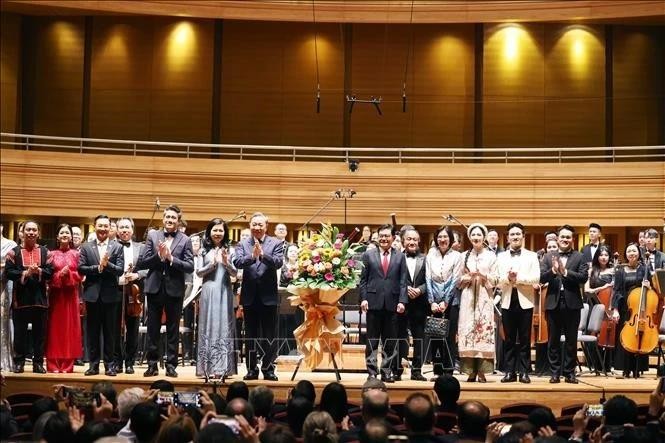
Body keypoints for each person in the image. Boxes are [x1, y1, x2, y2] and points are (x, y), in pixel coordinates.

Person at [136, 205, 194, 378]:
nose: (169, 220)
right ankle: (152, 364)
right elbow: (143, 262)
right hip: (154, 287)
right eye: (167, 217)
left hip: (174, 289)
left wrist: (171, 258)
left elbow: (190, 266)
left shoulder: (185, 239)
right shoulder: (153, 235)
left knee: (173, 329)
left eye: (173, 218)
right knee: (153, 328)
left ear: (178, 220)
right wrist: (159, 257)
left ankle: (171, 365)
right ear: (163, 218)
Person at [233, 212, 284, 381]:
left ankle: (268, 369)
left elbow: (278, 263)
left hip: (268, 296)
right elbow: (238, 262)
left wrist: (262, 255)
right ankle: (251, 369)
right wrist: (252, 256)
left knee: (270, 335)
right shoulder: (242, 243)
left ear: (266, 226)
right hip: (249, 296)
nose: (256, 227)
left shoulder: (275, 243)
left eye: (260, 224)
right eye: (254, 224)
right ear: (250, 225)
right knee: (251, 335)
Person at [540, 224, 588, 384]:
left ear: (572, 239)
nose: (565, 239)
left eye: (568, 237)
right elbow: (540, 277)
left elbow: (583, 278)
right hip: (553, 302)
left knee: (571, 341)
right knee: (553, 340)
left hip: (572, 303)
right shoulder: (548, 257)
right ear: (557, 239)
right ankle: (554, 373)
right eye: (563, 237)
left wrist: (566, 272)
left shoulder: (579, 256)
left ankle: (569, 373)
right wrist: (554, 271)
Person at [359, 224, 407, 383]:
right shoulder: (368, 255)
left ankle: (386, 371)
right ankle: (372, 372)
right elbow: (363, 281)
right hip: (373, 303)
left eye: (387, 236)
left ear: (393, 238)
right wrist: (364, 298)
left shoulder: (400, 256)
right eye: (381, 236)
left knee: (390, 342)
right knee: (372, 341)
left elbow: (402, 282)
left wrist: (402, 301)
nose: (384, 239)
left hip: (393, 304)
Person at [493, 222, 540, 384]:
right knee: (509, 340)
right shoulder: (500, 257)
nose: (515, 237)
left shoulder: (532, 256)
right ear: (507, 237)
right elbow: (497, 280)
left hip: (525, 302)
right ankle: (509, 372)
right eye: (512, 234)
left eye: (518, 234)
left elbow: (536, 278)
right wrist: (508, 279)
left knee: (525, 339)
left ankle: (524, 372)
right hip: (507, 301)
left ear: (523, 236)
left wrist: (517, 278)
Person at [78, 214, 124, 376]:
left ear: (110, 228)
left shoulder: (117, 247)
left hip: (110, 296)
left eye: (106, 226)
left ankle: (110, 365)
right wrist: (97, 268)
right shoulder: (86, 247)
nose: (103, 229)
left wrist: (107, 264)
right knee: (92, 332)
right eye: (100, 226)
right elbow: (81, 268)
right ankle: (93, 364)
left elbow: (120, 270)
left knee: (110, 332)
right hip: (92, 295)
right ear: (95, 227)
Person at [5, 220, 52, 374]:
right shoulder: (13, 252)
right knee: (20, 333)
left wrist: (38, 271)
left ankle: (38, 363)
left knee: (40, 334)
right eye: (28, 230)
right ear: (23, 232)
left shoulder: (46, 252)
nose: (31, 233)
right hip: (21, 300)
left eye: (34, 230)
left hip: (40, 300)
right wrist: (25, 273)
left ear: (38, 233)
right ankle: (19, 362)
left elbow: (51, 271)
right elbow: (9, 272)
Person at [196, 218, 237, 379]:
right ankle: (207, 367)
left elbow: (234, 273)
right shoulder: (203, 250)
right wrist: (211, 265)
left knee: (223, 326)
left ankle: (223, 368)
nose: (218, 233)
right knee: (208, 325)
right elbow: (198, 273)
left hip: (224, 290)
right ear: (209, 232)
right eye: (215, 230)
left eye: (220, 230)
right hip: (208, 290)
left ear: (225, 232)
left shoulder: (230, 250)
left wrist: (226, 263)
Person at [457, 223, 497, 382]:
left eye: (479, 235)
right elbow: (458, 279)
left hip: (484, 298)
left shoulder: (491, 256)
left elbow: (496, 278)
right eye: (473, 235)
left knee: (483, 333)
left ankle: (482, 371)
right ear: (469, 238)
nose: (476, 237)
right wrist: (466, 278)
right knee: (468, 332)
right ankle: (470, 371)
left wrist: (483, 276)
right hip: (468, 298)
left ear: (484, 237)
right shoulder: (464, 256)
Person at [426, 226, 462, 379]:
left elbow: (455, 280)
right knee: (435, 337)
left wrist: (446, 301)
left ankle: (448, 371)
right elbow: (427, 278)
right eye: (440, 237)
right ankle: (437, 370)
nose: (442, 240)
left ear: (450, 239)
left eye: (445, 237)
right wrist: (432, 301)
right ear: (436, 239)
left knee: (449, 337)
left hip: (451, 302)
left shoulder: (457, 256)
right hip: (434, 302)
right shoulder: (430, 255)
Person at [45, 223, 82, 373]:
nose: (65, 235)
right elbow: (47, 275)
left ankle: (67, 364)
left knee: (69, 329)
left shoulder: (77, 254)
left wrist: (69, 275)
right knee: (54, 329)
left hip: (71, 295)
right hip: (56, 296)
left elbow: (81, 274)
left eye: (67, 232)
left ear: (71, 237)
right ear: (57, 236)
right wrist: (59, 275)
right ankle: (53, 364)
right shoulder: (50, 254)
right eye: (62, 232)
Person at [610, 243, 649, 378]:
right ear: (626, 255)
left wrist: (648, 286)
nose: (631, 253)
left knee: (639, 336)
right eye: (628, 251)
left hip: (640, 308)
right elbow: (616, 290)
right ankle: (625, 368)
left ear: (638, 253)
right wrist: (615, 309)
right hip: (625, 307)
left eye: (634, 251)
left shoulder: (644, 269)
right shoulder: (620, 271)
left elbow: (651, 291)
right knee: (625, 338)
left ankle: (638, 368)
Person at [114, 217, 147, 374]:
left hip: (134, 293)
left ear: (132, 230)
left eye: (127, 227)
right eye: (122, 227)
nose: (124, 230)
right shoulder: (111, 246)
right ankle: (117, 361)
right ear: (117, 230)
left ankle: (130, 362)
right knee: (115, 328)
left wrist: (137, 275)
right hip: (115, 291)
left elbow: (148, 269)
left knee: (133, 329)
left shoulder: (142, 247)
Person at [399, 228, 428, 381]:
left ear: (419, 241)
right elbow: (393, 279)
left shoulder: (425, 258)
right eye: (409, 239)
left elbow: (430, 281)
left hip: (420, 304)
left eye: (415, 239)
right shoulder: (397, 258)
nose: (412, 242)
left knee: (419, 339)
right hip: (401, 303)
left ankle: (416, 371)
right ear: (403, 241)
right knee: (400, 337)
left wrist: (420, 290)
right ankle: (397, 369)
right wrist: (405, 289)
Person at [0, 222, 17, 373]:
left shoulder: (10, 244)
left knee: (3, 323)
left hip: (3, 288)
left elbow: (10, 268)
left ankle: (4, 360)